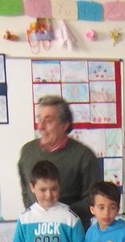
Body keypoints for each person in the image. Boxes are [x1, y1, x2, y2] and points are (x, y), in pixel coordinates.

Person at [18, 95, 99, 229]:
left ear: (64, 125)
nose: (41, 126)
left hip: (71, 232)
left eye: (48, 121)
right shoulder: (27, 152)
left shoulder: (84, 156)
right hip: (36, 231)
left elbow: (94, 199)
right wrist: (38, 214)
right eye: (39, 119)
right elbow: (26, 191)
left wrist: (59, 214)